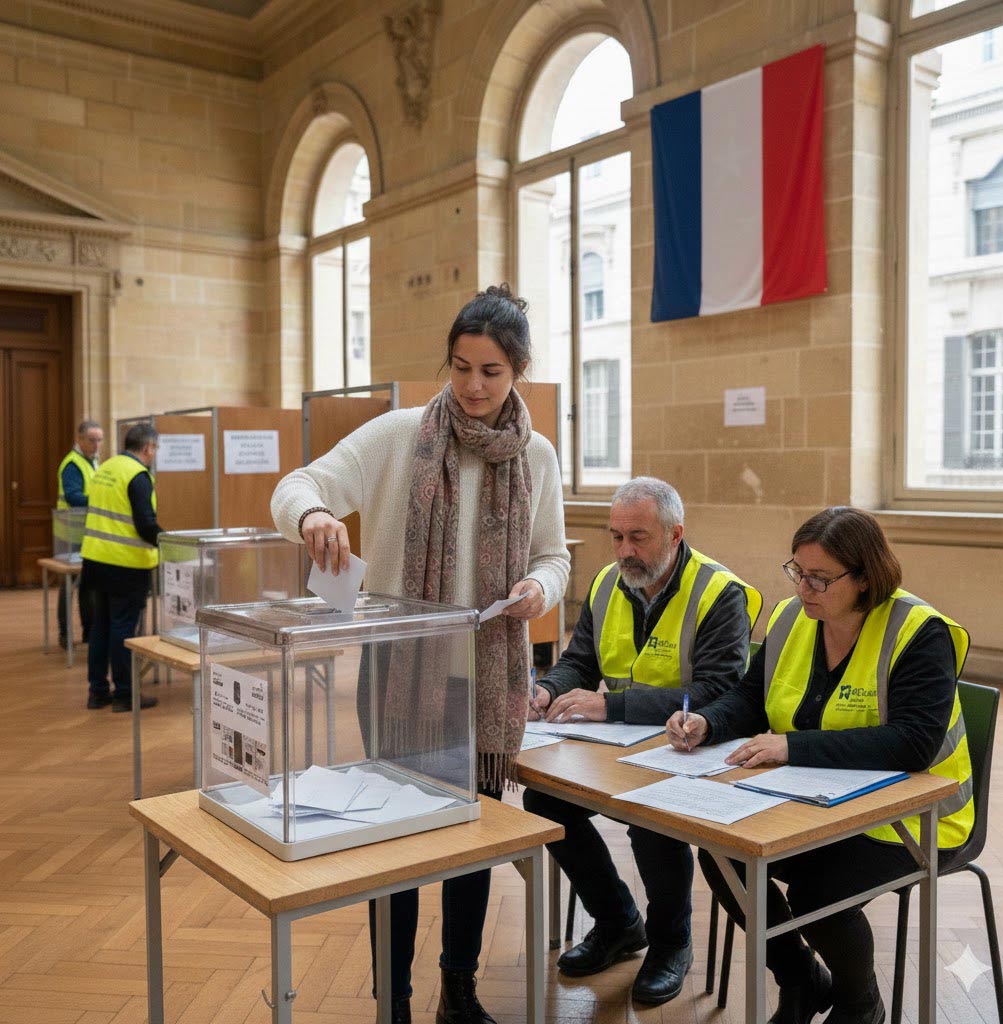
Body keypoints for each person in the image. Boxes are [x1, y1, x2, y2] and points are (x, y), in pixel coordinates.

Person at [271, 284, 570, 1024]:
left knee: (471, 839)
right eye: (461, 367)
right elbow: (299, 484)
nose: (473, 386)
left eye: (491, 372)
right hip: (399, 672)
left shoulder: (536, 455)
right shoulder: (401, 434)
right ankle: (394, 1003)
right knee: (394, 840)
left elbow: (554, 554)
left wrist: (540, 587)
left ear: (519, 371)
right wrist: (313, 514)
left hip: (487, 675)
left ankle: (457, 991)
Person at [668, 506, 972, 1024]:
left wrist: (792, 747)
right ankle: (801, 979)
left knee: (818, 891)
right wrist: (708, 722)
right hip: (816, 802)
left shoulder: (919, 631)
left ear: (865, 578)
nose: (803, 588)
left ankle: (860, 1006)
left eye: (820, 578)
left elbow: (913, 744)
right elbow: (751, 696)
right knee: (723, 855)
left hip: (916, 819)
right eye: (797, 571)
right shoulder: (793, 617)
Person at [522, 477, 762, 1006]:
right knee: (544, 800)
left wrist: (610, 706)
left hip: (696, 747)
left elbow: (719, 689)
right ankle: (618, 922)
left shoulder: (720, 592)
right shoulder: (608, 582)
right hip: (622, 745)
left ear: (675, 534)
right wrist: (549, 690)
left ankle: (672, 943)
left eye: (638, 537)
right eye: (616, 537)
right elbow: (579, 660)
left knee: (652, 816)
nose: (624, 551)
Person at [81, 424, 162, 712]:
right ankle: (125, 693)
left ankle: (97, 691)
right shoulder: (138, 475)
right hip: (125, 565)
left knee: (100, 626)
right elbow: (145, 525)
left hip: (94, 560)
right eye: (155, 449)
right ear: (148, 447)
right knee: (123, 628)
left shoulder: (106, 467)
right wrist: (169, 543)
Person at [56, 419, 103, 648]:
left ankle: (88, 631)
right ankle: (65, 633)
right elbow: (74, 497)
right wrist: (101, 500)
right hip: (69, 532)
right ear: (80, 439)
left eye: (99, 440)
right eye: (92, 440)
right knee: (69, 583)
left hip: (86, 531)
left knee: (88, 583)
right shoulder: (73, 464)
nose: (96, 445)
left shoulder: (93, 461)